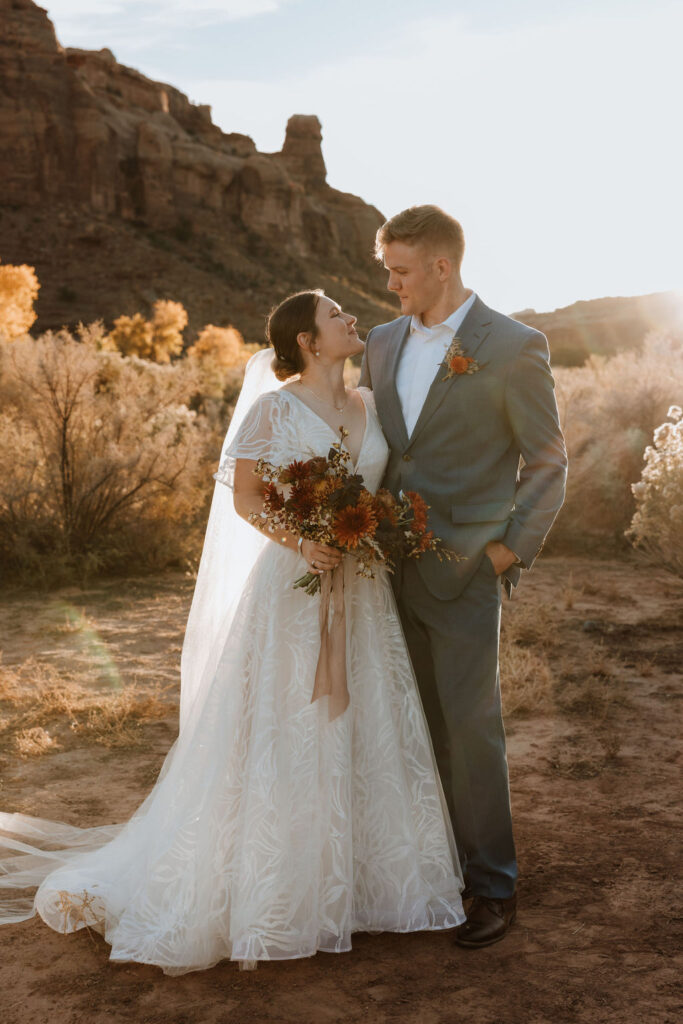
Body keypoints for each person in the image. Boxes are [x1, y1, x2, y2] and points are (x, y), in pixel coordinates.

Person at [0, 289, 465, 974]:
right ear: (307, 340)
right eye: (335, 315)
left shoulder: (373, 404)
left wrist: (373, 525)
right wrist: (303, 541)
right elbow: (246, 496)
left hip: (363, 594)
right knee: (287, 728)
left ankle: (363, 884)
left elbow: (384, 486)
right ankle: (277, 887)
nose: (349, 320)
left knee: (366, 726)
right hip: (293, 594)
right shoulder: (272, 409)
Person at [360, 205, 568, 948]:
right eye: (387, 268)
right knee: (411, 729)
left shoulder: (513, 346)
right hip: (383, 571)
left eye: (400, 270)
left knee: (471, 731)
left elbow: (547, 462)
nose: (389, 284)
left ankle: (492, 887)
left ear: (442, 266)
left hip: (467, 569)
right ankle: (430, 870)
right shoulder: (381, 344)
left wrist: (506, 551)